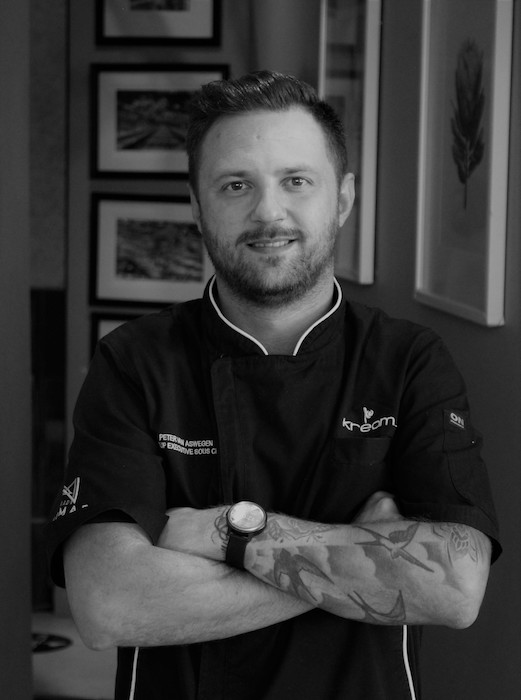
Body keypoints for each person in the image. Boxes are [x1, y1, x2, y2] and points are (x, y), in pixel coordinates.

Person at [47, 71, 500, 700]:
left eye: (296, 181)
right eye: (236, 185)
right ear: (196, 204)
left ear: (342, 199)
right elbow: (107, 604)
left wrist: (225, 533)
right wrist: (367, 555)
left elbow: (454, 589)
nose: (268, 212)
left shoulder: (409, 361)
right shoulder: (134, 361)